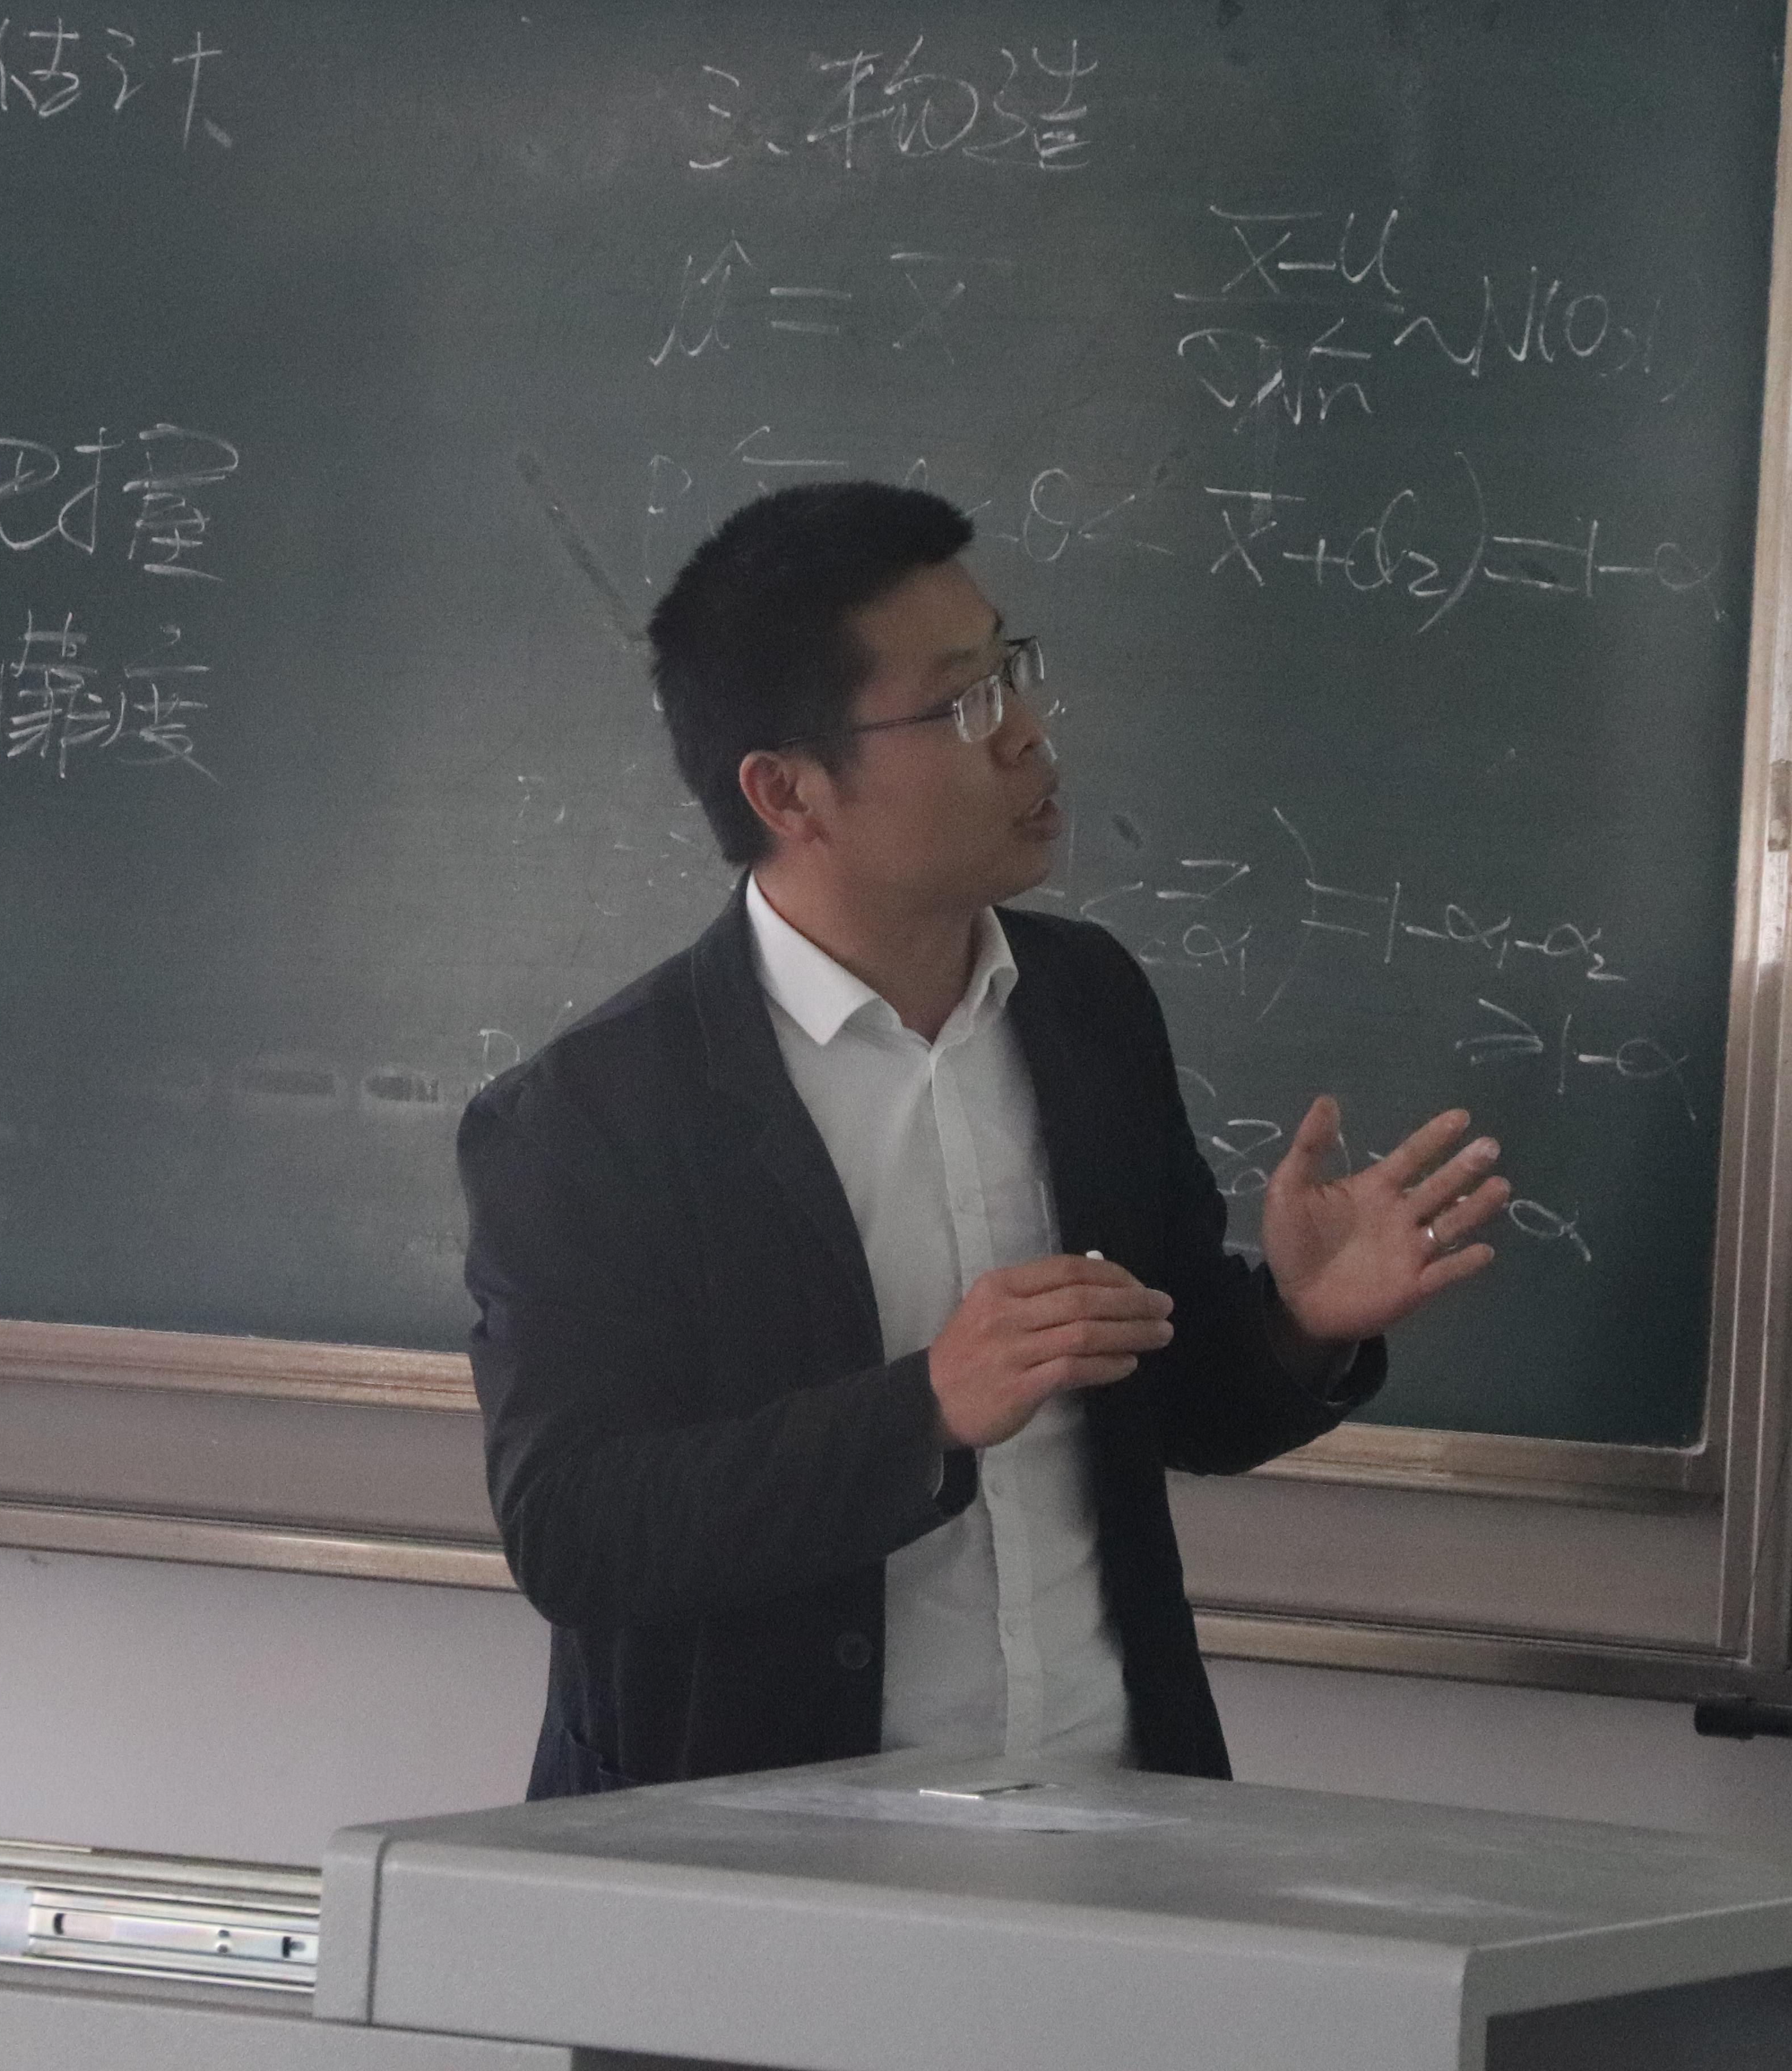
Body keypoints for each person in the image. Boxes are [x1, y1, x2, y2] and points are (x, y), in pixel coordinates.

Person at [459, 480, 1511, 1797]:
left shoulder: (1087, 1004)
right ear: (788, 789)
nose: (1025, 731)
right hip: (760, 1856)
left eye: (1012, 669)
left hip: (1113, 1812)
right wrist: (927, 1408)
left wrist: (1299, 1323)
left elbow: (1169, 1400)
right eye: (961, 703)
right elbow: (577, 1531)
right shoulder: (592, 1115)